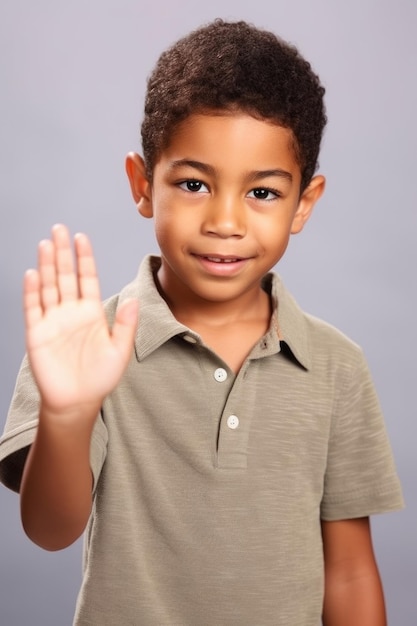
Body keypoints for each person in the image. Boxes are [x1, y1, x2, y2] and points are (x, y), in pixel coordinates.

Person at [0, 18, 403, 626]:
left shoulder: (337, 365)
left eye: (262, 193)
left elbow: (348, 570)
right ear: (142, 185)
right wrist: (68, 412)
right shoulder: (84, 347)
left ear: (304, 203)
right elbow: (51, 531)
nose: (225, 221)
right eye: (193, 184)